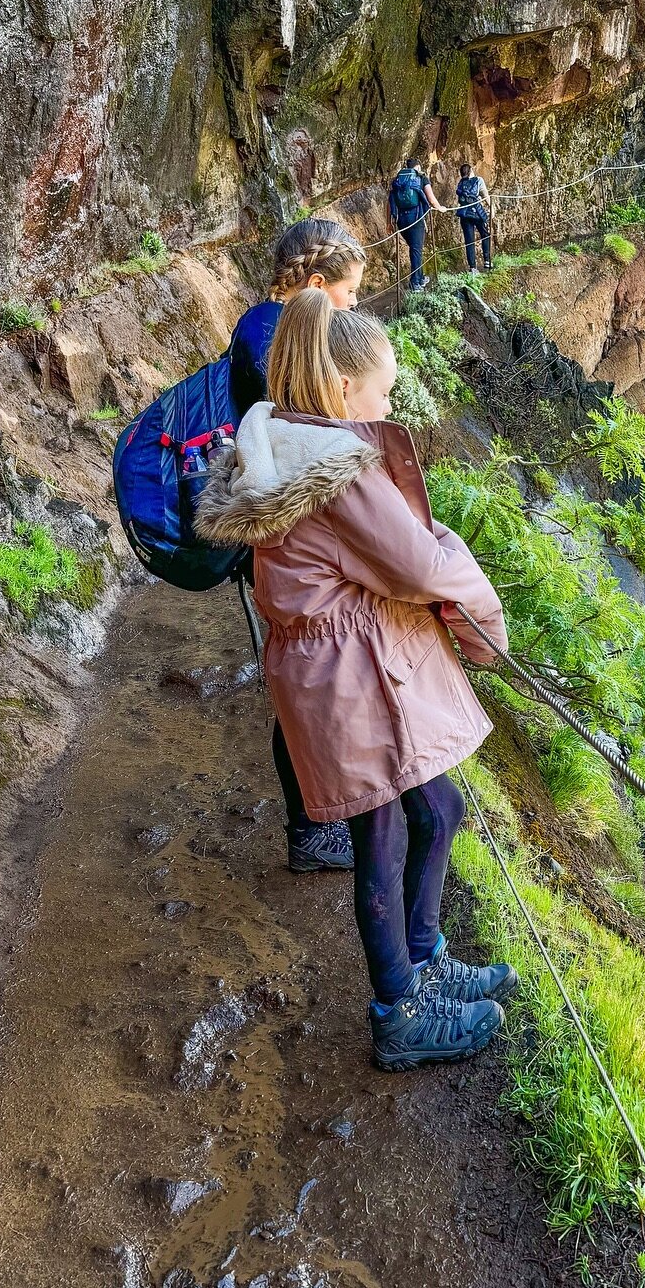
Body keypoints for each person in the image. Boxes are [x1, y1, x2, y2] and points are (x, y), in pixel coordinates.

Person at [197, 291, 516, 1070]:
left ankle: (422, 960)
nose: (390, 402)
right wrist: (481, 610)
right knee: (388, 828)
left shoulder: (287, 440)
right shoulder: (338, 468)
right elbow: (416, 563)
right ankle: (399, 1008)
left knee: (432, 807)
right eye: (386, 390)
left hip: (338, 669)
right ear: (345, 392)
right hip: (353, 676)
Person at [226, 218, 367, 875]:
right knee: (303, 686)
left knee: (303, 680)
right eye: (350, 293)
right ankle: (313, 830)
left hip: (284, 529)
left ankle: (319, 822)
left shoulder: (262, 325)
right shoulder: (271, 336)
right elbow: (292, 432)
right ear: (317, 285)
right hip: (286, 535)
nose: (354, 306)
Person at [387, 159, 441, 292]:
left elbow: (390, 202)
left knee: (414, 249)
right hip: (417, 218)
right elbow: (431, 199)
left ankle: (421, 277)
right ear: (418, 166)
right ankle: (415, 283)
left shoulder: (397, 180)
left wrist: (389, 222)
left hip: (401, 220)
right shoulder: (421, 178)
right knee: (416, 250)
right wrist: (440, 208)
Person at [453, 161, 493, 272]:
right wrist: (492, 208)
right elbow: (485, 195)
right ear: (470, 171)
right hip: (476, 213)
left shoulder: (460, 183)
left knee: (469, 240)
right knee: (485, 234)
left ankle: (472, 268)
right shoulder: (478, 180)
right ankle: (487, 261)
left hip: (464, 214)